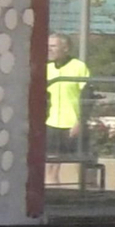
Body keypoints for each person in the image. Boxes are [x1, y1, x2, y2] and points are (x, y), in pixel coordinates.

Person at [45, 35, 89, 186]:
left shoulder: (78, 67)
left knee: (82, 166)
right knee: (51, 167)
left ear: (65, 48)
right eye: (48, 46)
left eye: (53, 46)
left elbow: (87, 96)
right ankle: (55, 198)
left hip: (73, 123)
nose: (49, 49)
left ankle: (86, 196)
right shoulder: (47, 68)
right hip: (52, 124)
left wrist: (80, 121)